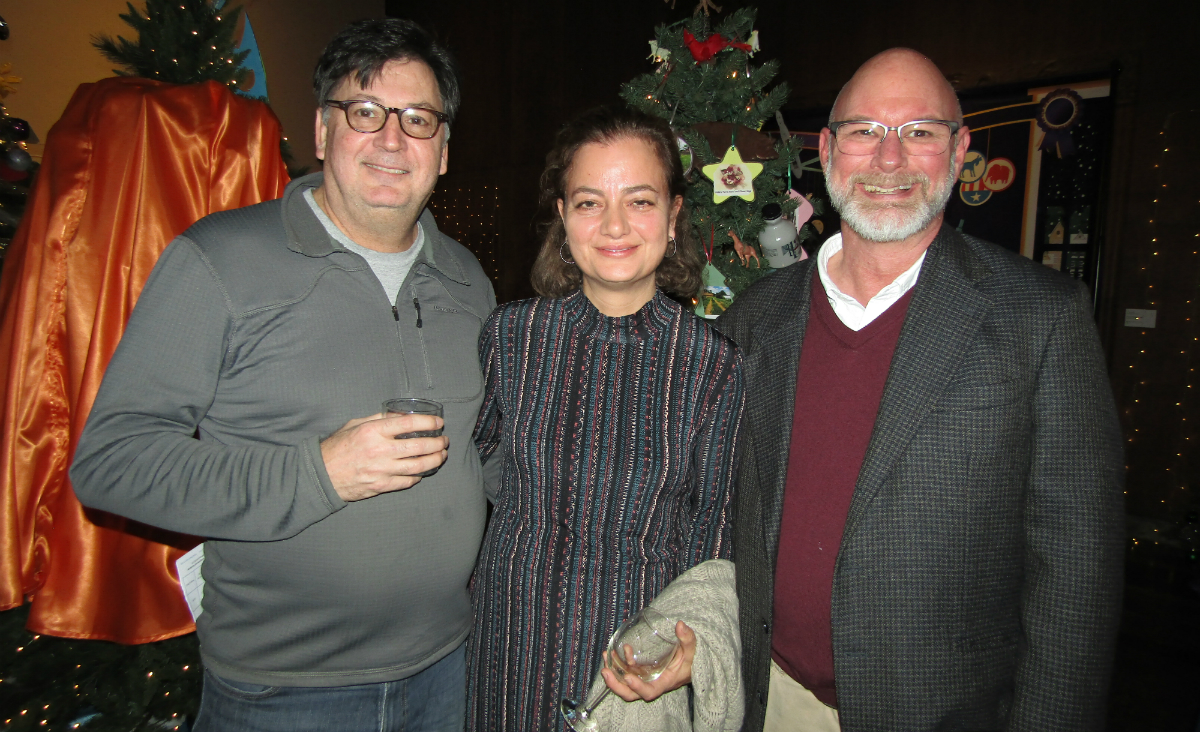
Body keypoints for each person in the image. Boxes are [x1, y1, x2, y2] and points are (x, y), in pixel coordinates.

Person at [70, 19, 495, 732]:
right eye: (365, 112)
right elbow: (111, 465)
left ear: (444, 151)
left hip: (448, 673)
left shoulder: (469, 280)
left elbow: (490, 455)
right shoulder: (220, 261)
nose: (393, 139)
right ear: (324, 133)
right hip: (284, 696)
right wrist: (319, 472)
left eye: (419, 119)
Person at [717, 48, 1124, 731]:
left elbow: (1077, 578)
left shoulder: (1041, 319)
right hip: (769, 701)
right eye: (866, 131)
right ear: (827, 148)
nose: (889, 159)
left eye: (920, 132)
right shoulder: (754, 320)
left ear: (961, 150)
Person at [466, 107, 745, 731]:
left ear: (673, 217)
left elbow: (715, 536)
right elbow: (468, 474)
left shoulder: (714, 368)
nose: (615, 224)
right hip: (508, 654)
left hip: (635, 667)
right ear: (563, 218)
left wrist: (686, 643)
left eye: (640, 201)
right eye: (590, 202)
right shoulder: (510, 339)